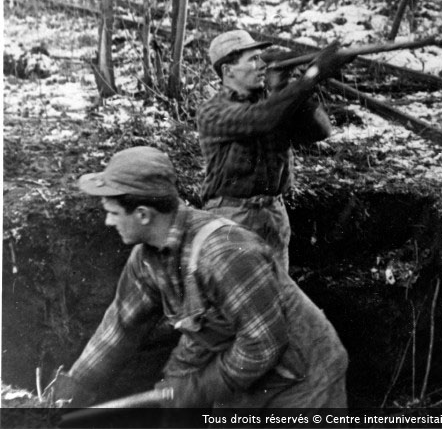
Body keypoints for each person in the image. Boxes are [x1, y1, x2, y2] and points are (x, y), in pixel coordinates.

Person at [45, 146, 348, 409]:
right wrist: (74, 391)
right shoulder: (148, 259)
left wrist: (194, 391)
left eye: (112, 212)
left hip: (304, 377)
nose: (108, 221)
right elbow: (121, 328)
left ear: (142, 214)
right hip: (243, 368)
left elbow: (263, 345)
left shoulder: (225, 254)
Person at [197, 30, 354, 271]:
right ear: (228, 71)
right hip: (233, 217)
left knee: (279, 295)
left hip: (273, 213)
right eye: (252, 60)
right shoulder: (212, 112)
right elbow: (262, 119)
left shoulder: (275, 103)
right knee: (242, 295)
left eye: (261, 58)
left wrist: (287, 87)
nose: (262, 66)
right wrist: (313, 75)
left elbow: (320, 131)